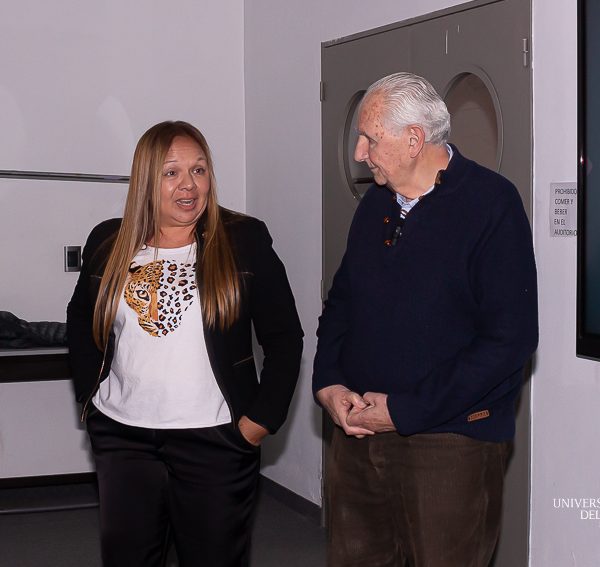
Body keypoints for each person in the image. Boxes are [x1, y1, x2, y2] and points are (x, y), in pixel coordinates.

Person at [313, 73, 538, 567]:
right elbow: (342, 302)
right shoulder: (376, 205)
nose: (359, 153)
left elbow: (511, 340)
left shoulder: (491, 205)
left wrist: (405, 410)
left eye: (370, 138)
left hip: (450, 442)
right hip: (359, 433)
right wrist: (328, 381)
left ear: (414, 140)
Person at [67, 120, 303, 567]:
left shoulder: (244, 240)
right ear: (146, 180)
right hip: (123, 438)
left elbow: (284, 337)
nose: (188, 185)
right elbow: (80, 319)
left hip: (216, 440)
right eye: (171, 172)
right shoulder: (108, 241)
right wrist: (90, 397)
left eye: (199, 170)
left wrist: (260, 422)